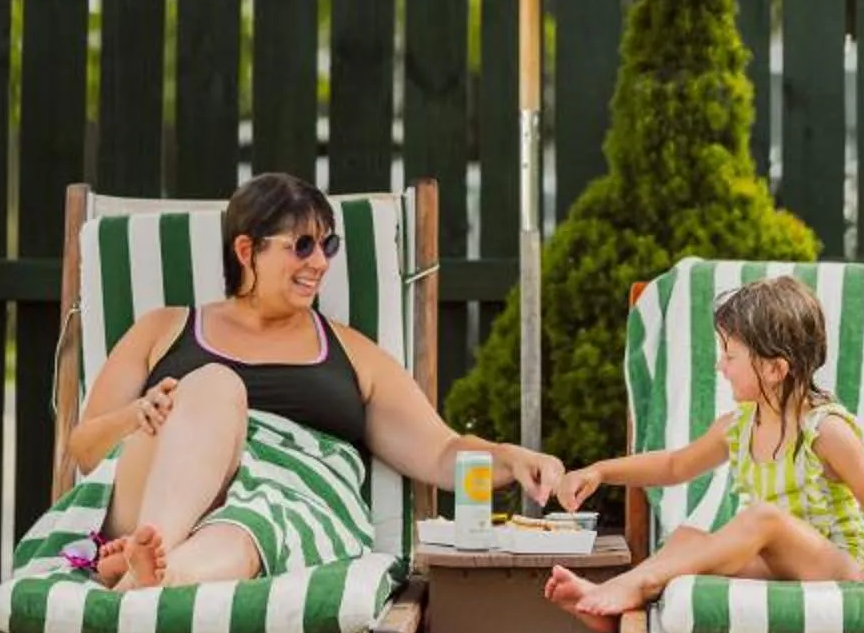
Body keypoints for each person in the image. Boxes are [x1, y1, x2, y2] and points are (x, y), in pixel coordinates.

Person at [68, 170, 562, 589]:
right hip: (159, 489)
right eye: (302, 245)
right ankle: (154, 545)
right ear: (246, 250)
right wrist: (138, 414)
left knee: (248, 533)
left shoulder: (353, 353)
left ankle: (153, 576)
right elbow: (86, 450)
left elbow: (438, 450)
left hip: (277, 511)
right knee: (216, 384)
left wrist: (509, 457)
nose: (320, 262)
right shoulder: (163, 329)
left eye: (328, 244)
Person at [543, 273, 864, 629]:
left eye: (730, 356)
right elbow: (674, 465)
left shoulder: (825, 430)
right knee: (687, 538)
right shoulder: (739, 425)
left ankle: (634, 585)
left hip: (836, 563)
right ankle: (620, 607)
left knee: (763, 517)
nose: (720, 366)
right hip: (776, 563)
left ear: (776, 368)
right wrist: (601, 472)